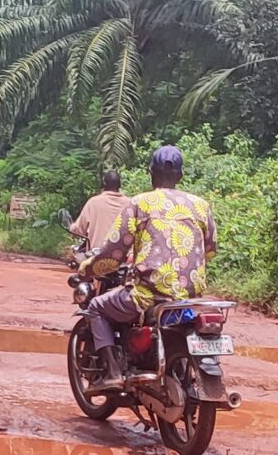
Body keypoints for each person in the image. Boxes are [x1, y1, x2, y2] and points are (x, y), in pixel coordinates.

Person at [81, 144, 216, 376]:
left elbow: (113, 253)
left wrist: (88, 269)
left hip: (148, 296)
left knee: (96, 307)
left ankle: (113, 372)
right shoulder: (201, 206)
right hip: (190, 299)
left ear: (151, 173)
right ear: (181, 176)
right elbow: (210, 251)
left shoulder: (139, 203)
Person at [67, 168, 133, 265]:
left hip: (96, 257)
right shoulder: (130, 203)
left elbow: (78, 229)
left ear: (103, 185)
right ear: (119, 185)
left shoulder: (93, 202)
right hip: (123, 259)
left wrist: (70, 227)